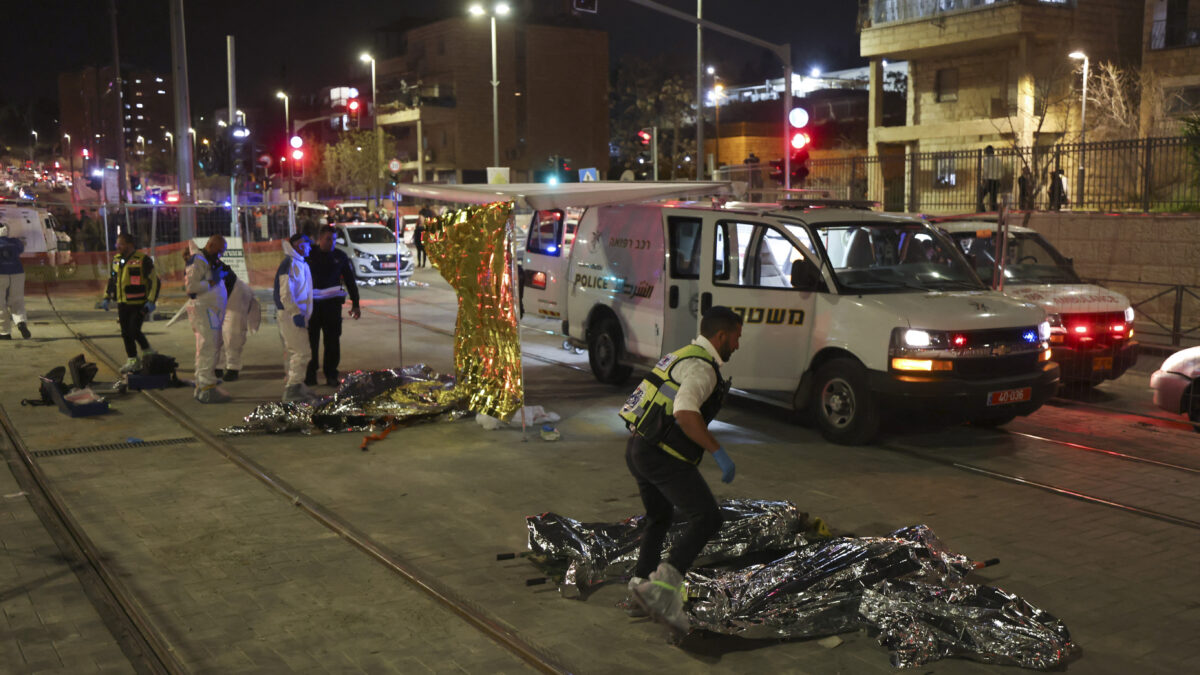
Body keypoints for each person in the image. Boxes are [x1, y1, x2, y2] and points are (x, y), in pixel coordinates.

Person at [618, 306, 743, 637]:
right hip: (662, 456)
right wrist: (719, 453)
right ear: (721, 335)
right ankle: (661, 592)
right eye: (736, 337)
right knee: (708, 518)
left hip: (638, 448)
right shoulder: (703, 369)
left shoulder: (681, 354)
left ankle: (639, 588)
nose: (738, 345)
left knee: (659, 517)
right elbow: (686, 412)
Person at [305, 225, 360, 387]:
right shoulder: (309, 254)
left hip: (332, 307)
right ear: (319, 239)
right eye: (328, 239)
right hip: (312, 307)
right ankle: (310, 374)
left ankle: (331, 374)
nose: (332, 243)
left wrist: (356, 304)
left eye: (334, 239)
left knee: (332, 342)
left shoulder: (340, 256)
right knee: (310, 343)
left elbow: (350, 281)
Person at [102, 233, 159, 371]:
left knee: (134, 330)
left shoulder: (143, 260)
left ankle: (148, 351)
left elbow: (155, 281)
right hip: (122, 303)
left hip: (139, 303)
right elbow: (112, 280)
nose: (117, 246)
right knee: (125, 333)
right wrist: (106, 297)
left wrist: (151, 301)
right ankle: (132, 360)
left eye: (120, 243)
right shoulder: (116, 260)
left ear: (130, 245)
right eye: (117, 243)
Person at [185, 235, 231, 403]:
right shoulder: (198, 261)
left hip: (210, 311)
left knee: (208, 347)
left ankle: (203, 382)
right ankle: (206, 386)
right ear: (210, 245)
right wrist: (212, 283)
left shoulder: (205, 260)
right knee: (208, 347)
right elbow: (191, 288)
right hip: (205, 310)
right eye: (219, 251)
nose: (220, 255)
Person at [275, 233, 316, 402]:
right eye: (307, 244)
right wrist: (295, 313)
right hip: (291, 316)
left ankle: (297, 385)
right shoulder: (290, 264)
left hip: (297, 315)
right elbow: (285, 293)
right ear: (299, 245)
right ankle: (293, 389)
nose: (309, 247)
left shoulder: (299, 263)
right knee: (301, 352)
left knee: (301, 352)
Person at [218, 272, 260, 383]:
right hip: (217, 297)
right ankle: (218, 365)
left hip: (236, 293)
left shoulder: (202, 263)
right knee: (215, 332)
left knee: (232, 333)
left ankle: (233, 367)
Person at [0, 224, 30, 339]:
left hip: (1, 275)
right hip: (17, 273)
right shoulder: (15, 241)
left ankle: (4, 332)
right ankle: (20, 322)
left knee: (0, 304)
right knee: (17, 301)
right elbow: (22, 248)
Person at [979, 145, 1002, 212]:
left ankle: (982, 210)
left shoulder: (987, 160)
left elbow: (986, 171)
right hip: (996, 181)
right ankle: (994, 210)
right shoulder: (998, 160)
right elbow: (1000, 171)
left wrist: (984, 181)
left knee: (981, 195)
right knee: (993, 198)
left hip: (989, 181)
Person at [415, 203, 434, 268]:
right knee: (422, 252)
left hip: (424, 240)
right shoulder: (420, 227)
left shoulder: (426, 227)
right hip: (420, 240)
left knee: (427, 252)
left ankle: (423, 263)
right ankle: (421, 263)